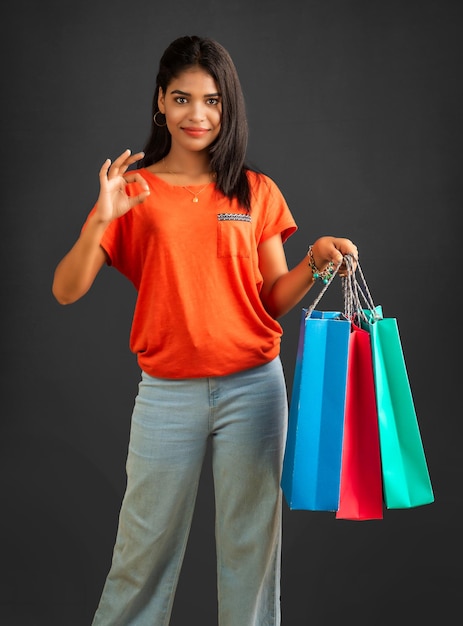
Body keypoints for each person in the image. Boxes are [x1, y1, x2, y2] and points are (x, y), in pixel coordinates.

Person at [52, 35, 358, 626]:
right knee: (141, 555)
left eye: (213, 101)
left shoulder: (254, 190)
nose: (198, 114)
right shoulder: (132, 193)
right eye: (183, 98)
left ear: (228, 107)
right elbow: (66, 289)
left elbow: (271, 301)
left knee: (251, 551)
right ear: (160, 104)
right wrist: (101, 217)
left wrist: (314, 261)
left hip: (254, 389)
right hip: (168, 393)